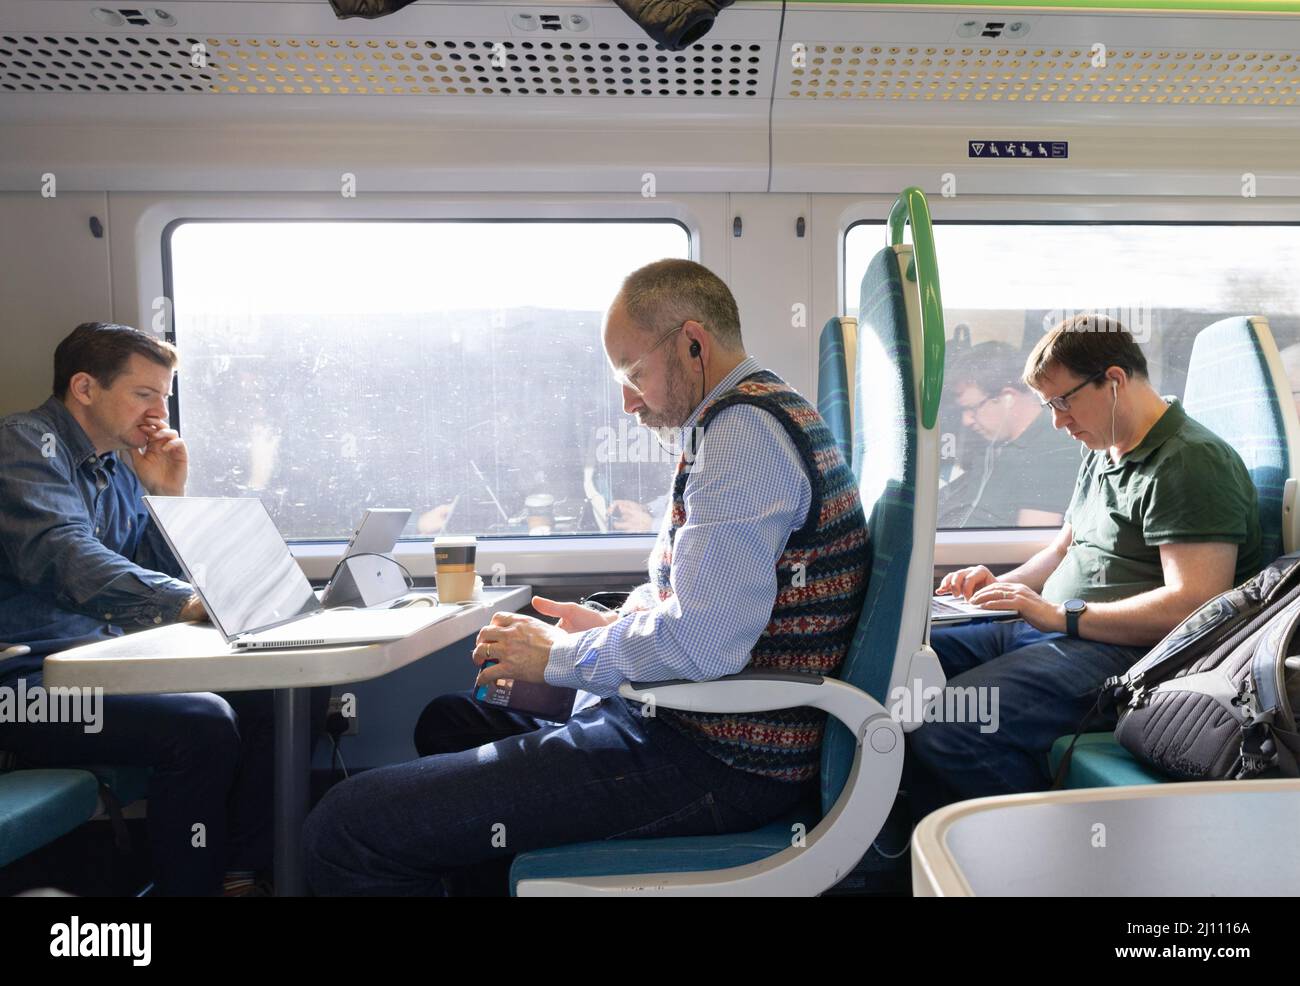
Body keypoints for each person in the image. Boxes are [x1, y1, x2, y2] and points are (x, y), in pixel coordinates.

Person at [302, 258, 871, 895]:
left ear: (692, 343)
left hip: (719, 758)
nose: (627, 401)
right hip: (688, 719)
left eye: (634, 374)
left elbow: (708, 643)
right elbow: (702, 602)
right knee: (449, 721)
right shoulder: (739, 419)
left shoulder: (743, 436)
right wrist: (613, 624)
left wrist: (562, 656)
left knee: (343, 826)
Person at [908, 313, 1262, 818]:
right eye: (1048, 406)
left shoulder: (1190, 462)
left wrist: (1062, 616)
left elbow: (1194, 605)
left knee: (949, 721)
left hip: (1128, 656)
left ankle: (1043, 853)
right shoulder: (1103, 447)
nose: (1057, 421)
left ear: (1113, 380)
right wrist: (997, 587)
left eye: (1063, 401)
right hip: (1053, 629)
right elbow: (1061, 550)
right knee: (901, 664)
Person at [0, 322, 290, 896]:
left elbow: (161, 578)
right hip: (28, 687)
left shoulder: (122, 464)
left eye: (165, 395)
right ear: (84, 388)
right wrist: (185, 602)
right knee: (201, 724)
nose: (160, 411)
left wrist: (164, 498)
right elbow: (64, 557)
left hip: (106, 664)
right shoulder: (24, 446)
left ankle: (238, 874)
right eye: (144, 393)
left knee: (274, 691)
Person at [937, 341, 1078, 528]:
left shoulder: (1052, 451)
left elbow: (1029, 540)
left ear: (1008, 398)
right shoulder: (995, 444)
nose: (966, 420)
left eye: (972, 409)